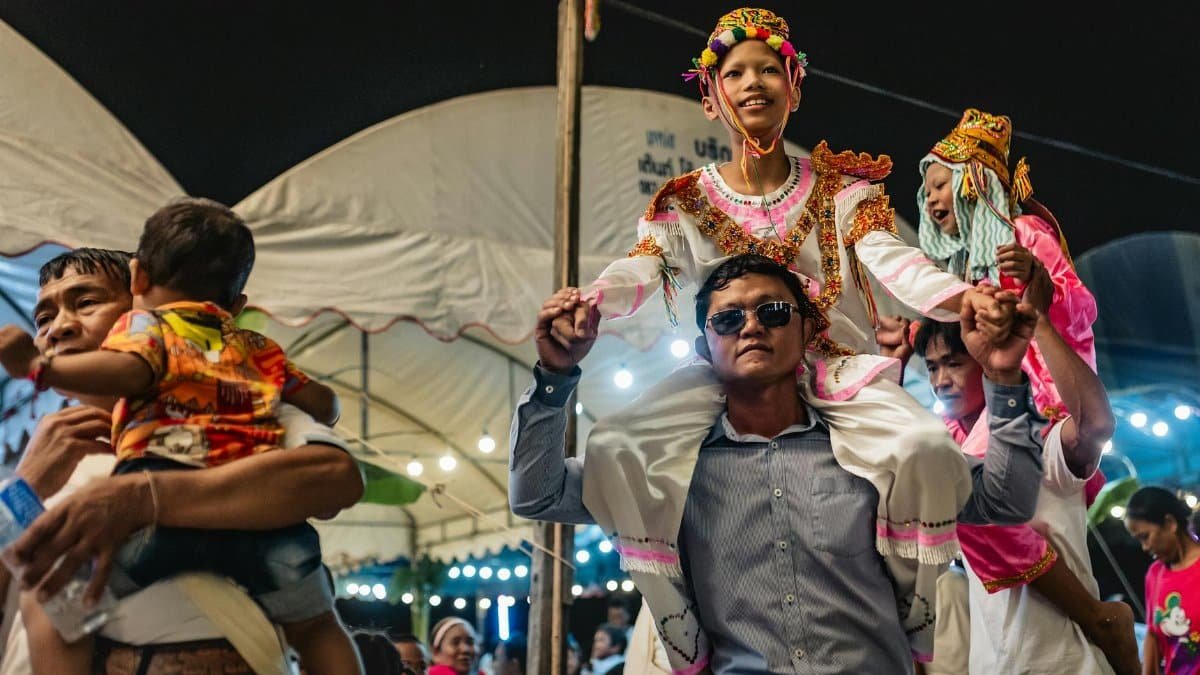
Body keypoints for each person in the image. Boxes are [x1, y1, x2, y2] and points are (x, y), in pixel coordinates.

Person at [576, 8, 1016, 658]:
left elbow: (893, 261)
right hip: (728, 377)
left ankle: (913, 607)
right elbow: (646, 266)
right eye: (735, 73)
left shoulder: (843, 192)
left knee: (925, 445)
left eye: (768, 70)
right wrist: (591, 302)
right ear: (710, 95)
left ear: (795, 86)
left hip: (834, 372)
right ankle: (673, 616)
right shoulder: (685, 200)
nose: (753, 83)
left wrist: (959, 296)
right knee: (612, 447)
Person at [512, 254, 1048, 673]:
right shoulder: (669, 473)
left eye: (771, 312)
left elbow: (1007, 502)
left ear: (807, 331)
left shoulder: (876, 453)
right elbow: (535, 494)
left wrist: (1003, 380)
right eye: (728, 319)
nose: (751, 327)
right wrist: (554, 377)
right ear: (706, 347)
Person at [0, 201, 360, 674]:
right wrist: (24, 485)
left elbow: (336, 479)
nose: (58, 327)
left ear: (139, 299)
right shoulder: (31, 456)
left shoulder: (241, 396)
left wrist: (142, 495)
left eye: (86, 303)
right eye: (43, 316)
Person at [893, 257, 1137, 673]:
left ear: (986, 356)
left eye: (954, 363)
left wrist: (1038, 322)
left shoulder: (1036, 438)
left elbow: (1095, 424)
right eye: (931, 367)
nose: (939, 381)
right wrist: (892, 369)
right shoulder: (949, 455)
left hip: (1067, 663)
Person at [1127, 487, 1200, 674]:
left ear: (1169, 523)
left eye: (1145, 536)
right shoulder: (1155, 574)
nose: (1144, 547)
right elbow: (1152, 635)